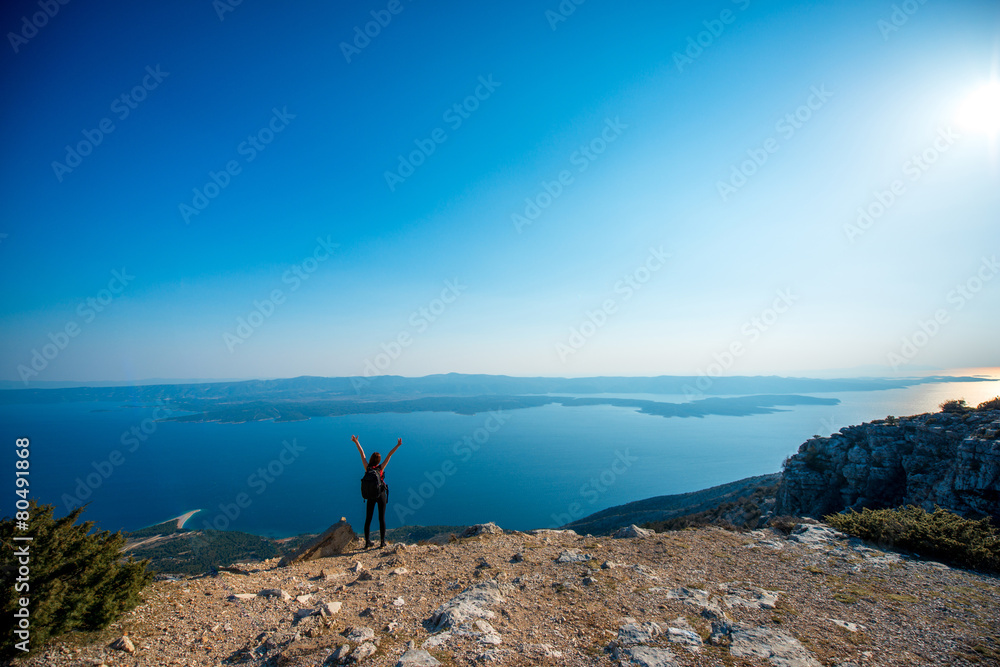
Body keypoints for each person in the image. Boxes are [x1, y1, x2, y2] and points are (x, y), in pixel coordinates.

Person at [352, 434, 401, 549]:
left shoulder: (367, 467)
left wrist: (356, 442)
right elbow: (389, 455)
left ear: (371, 459)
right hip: (380, 495)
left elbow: (362, 453)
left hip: (370, 496)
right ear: (379, 461)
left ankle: (367, 542)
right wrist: (398, 445)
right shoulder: (381, 468)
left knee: (368, 519)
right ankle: (382, 542)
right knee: (381, 518)